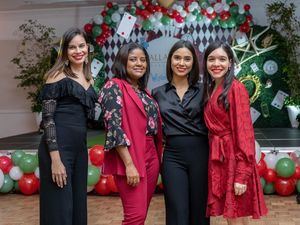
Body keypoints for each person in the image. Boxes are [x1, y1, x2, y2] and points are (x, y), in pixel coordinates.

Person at [202, 41, 268, 225]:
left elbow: (245, 133)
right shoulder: (211, 88)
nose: (216, 64)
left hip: (234, 158)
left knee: (237, 216)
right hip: (220, 158)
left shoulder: (236, 89)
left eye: (222, 59)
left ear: (230, 62)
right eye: (211, 59)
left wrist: (241, 175)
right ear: (205, 63)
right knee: (236, 216)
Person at [98, 42, 163, 225]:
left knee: (141, 214)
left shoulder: (143, 91)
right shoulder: (113, 86)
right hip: (131, 154)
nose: (139, 63)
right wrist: (129, 164)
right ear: (123, 61)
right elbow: (114, 128)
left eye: (143, 60)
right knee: (135, 216)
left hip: (151, 154)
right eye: (133, 59)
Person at [38, 27, 97, 225]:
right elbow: (48, 120)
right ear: (64, 52)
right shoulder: (56, 76)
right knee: (59, 210)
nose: (78, 51)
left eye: (81, 46)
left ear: (87, 48)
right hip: (57, 149)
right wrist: (55, 159)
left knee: (78, 208)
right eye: (72, 47)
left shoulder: (89, 79)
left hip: (80, 149)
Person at [152, 40, 210, 225]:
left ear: (193, 62)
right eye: (177, 58)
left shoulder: (205, 90)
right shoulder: (157, 92)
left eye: (187, 59)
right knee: (177, 209)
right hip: (172, 156)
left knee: (200, 209)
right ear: (170, 61)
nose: (181, 63)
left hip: (201, 153)